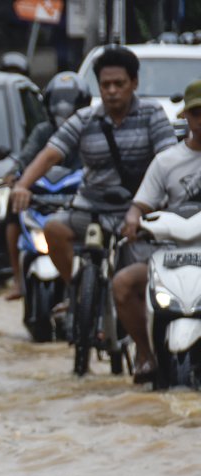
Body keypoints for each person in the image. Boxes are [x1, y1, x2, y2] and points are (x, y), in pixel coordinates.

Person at [10, 46, 175, 297]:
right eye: (105, 84)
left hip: (139, 212)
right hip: (90, 208)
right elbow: (50, 154)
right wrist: (22, 185)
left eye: (118, 84)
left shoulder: (152, 114)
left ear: (134, 82)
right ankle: (77, 296)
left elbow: (167, 162)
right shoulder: (85, 119)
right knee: (53, 229)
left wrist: (143, 208)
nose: (111, 91)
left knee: (136, 285)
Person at [115, 78, 201, 383]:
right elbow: (140, 205)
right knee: (123, 284)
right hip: (170, 255)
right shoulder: (166, 161)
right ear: (186, 118)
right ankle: (147, 355)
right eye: (197, 113)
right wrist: (132, 221)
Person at [2, 71, 89, 300]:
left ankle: (90, 287)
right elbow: (27, 158)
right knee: (13, 212)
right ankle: (18, 278)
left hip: (77, 199)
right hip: (43, 195)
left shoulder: (91, 130)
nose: (63, 108)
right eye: (57, 101)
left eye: (69, 102)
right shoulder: (43, 132)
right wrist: (15, 179)